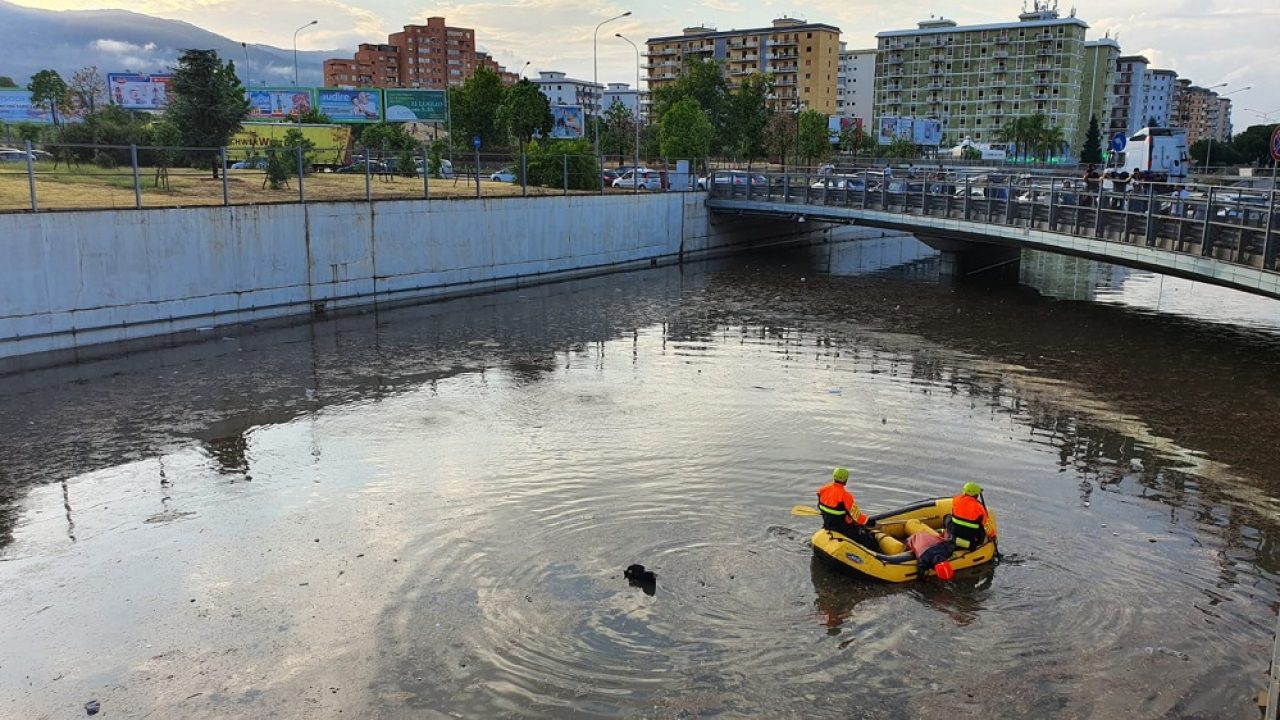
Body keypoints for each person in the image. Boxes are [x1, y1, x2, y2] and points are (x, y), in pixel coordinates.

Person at [817, 467, 875, 547]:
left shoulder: (821, 490)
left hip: (828, 524)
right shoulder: (846, 496)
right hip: (843, 528)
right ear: (846, 480)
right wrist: (870, 522)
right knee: (870, 540)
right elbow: (857, 516)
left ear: (834, 477)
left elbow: (821, 507)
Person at [947, 482, 996, 551]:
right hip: (972, 540)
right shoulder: (979, 508)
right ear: (976, 495)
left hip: (955, 535)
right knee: (981, 526)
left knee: (948, 518)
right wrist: (992, 536)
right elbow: (986, 525)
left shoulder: (956, 500)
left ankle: (949, 536)